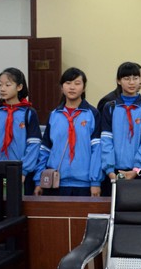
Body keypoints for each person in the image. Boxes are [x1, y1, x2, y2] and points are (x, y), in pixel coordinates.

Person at [35, 68, 103, 197]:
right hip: (55, 182)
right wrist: (39, 180)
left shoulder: (93, 114)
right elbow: (45, 149)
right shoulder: (54, 115)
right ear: (62, 87)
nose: (72, 87)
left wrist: (95, 182)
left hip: (85, 184)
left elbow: (97, 150)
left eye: (77, 83)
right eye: (68, 83)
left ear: (84, 88)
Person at [0, 68, 42, 194]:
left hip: (22, 173)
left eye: (7, 85)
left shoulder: (29, 113)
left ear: (19, 87)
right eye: (0, 85)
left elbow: (34, 144)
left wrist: (23, 170)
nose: (2, 89)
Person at [100, 62, 141, 195]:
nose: (131, 82)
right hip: (113, 173)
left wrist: (136, 170)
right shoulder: (110, 107)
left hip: (139, 173)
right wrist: (109, 171)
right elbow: (106, 141)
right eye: (126, 78)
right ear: (118, 81)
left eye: (135, 78)